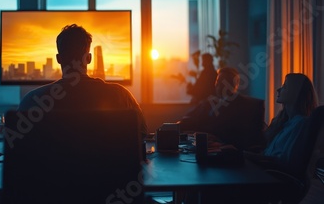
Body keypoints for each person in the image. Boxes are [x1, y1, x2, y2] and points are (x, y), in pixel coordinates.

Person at [17, 24, 148, 137]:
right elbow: (142, 134)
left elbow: (19, 142)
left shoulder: (32, 100)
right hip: (106, 166)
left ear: (59, 59)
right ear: (89, 58)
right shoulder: (120, 95)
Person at [178, 67, 266, 150]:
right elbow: (190, 119)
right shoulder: (209, 103)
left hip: (224, 150)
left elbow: (242, 137)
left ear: (235, 85)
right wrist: (177, 126)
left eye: (225, 82)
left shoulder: (244, 107)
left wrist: (214, 139)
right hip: (201, 144)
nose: (219, 86)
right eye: (218, 81)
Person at [257, 73, 318, 173]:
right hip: (266, 171)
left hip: (275, 177)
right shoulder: (284, 122)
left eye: (284, 87)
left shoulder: (301, 124)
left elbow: (287, 162)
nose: (278, 90)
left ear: (295, 93)